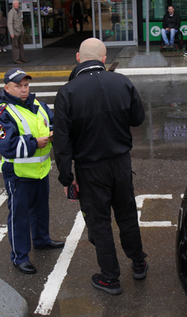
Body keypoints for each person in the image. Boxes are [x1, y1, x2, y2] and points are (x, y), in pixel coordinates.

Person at [52, 38, 147, 296]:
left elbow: (61, 142)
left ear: (78, 57)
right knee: (127, 214)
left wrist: (66, 177)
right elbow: (138, 118)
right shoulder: (122, 82)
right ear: (104, 59)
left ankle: (110, 278)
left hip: (90, 168)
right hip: (120, 163)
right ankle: (138, 262)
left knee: (100, 221)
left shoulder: (67, 92)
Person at [0, 68, 64, 274]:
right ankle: (19, 257)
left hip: (40, 171)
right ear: (6, 88)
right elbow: (6, 145)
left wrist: (56, 131)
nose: (23, 90)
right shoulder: (1, 113)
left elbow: (54, 121)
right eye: (18, 86)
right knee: (19, 216)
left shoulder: (38, 104)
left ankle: (41, 240)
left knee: (40, 210)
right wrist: (35, 143)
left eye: (26, 85)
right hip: (18, 174)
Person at [7, 0, 26, 64]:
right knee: (15, 46)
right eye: (16, 4)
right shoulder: (11, 12)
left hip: (20, 31)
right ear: (13, 4)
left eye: (18, 3)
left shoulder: (19, 12)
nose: (17, 5)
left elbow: (20, 22)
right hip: (15, 32)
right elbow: (10, 23)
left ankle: (22, 58)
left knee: (21, 45)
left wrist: (22, 29)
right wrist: (11, 33)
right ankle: (16, 59)